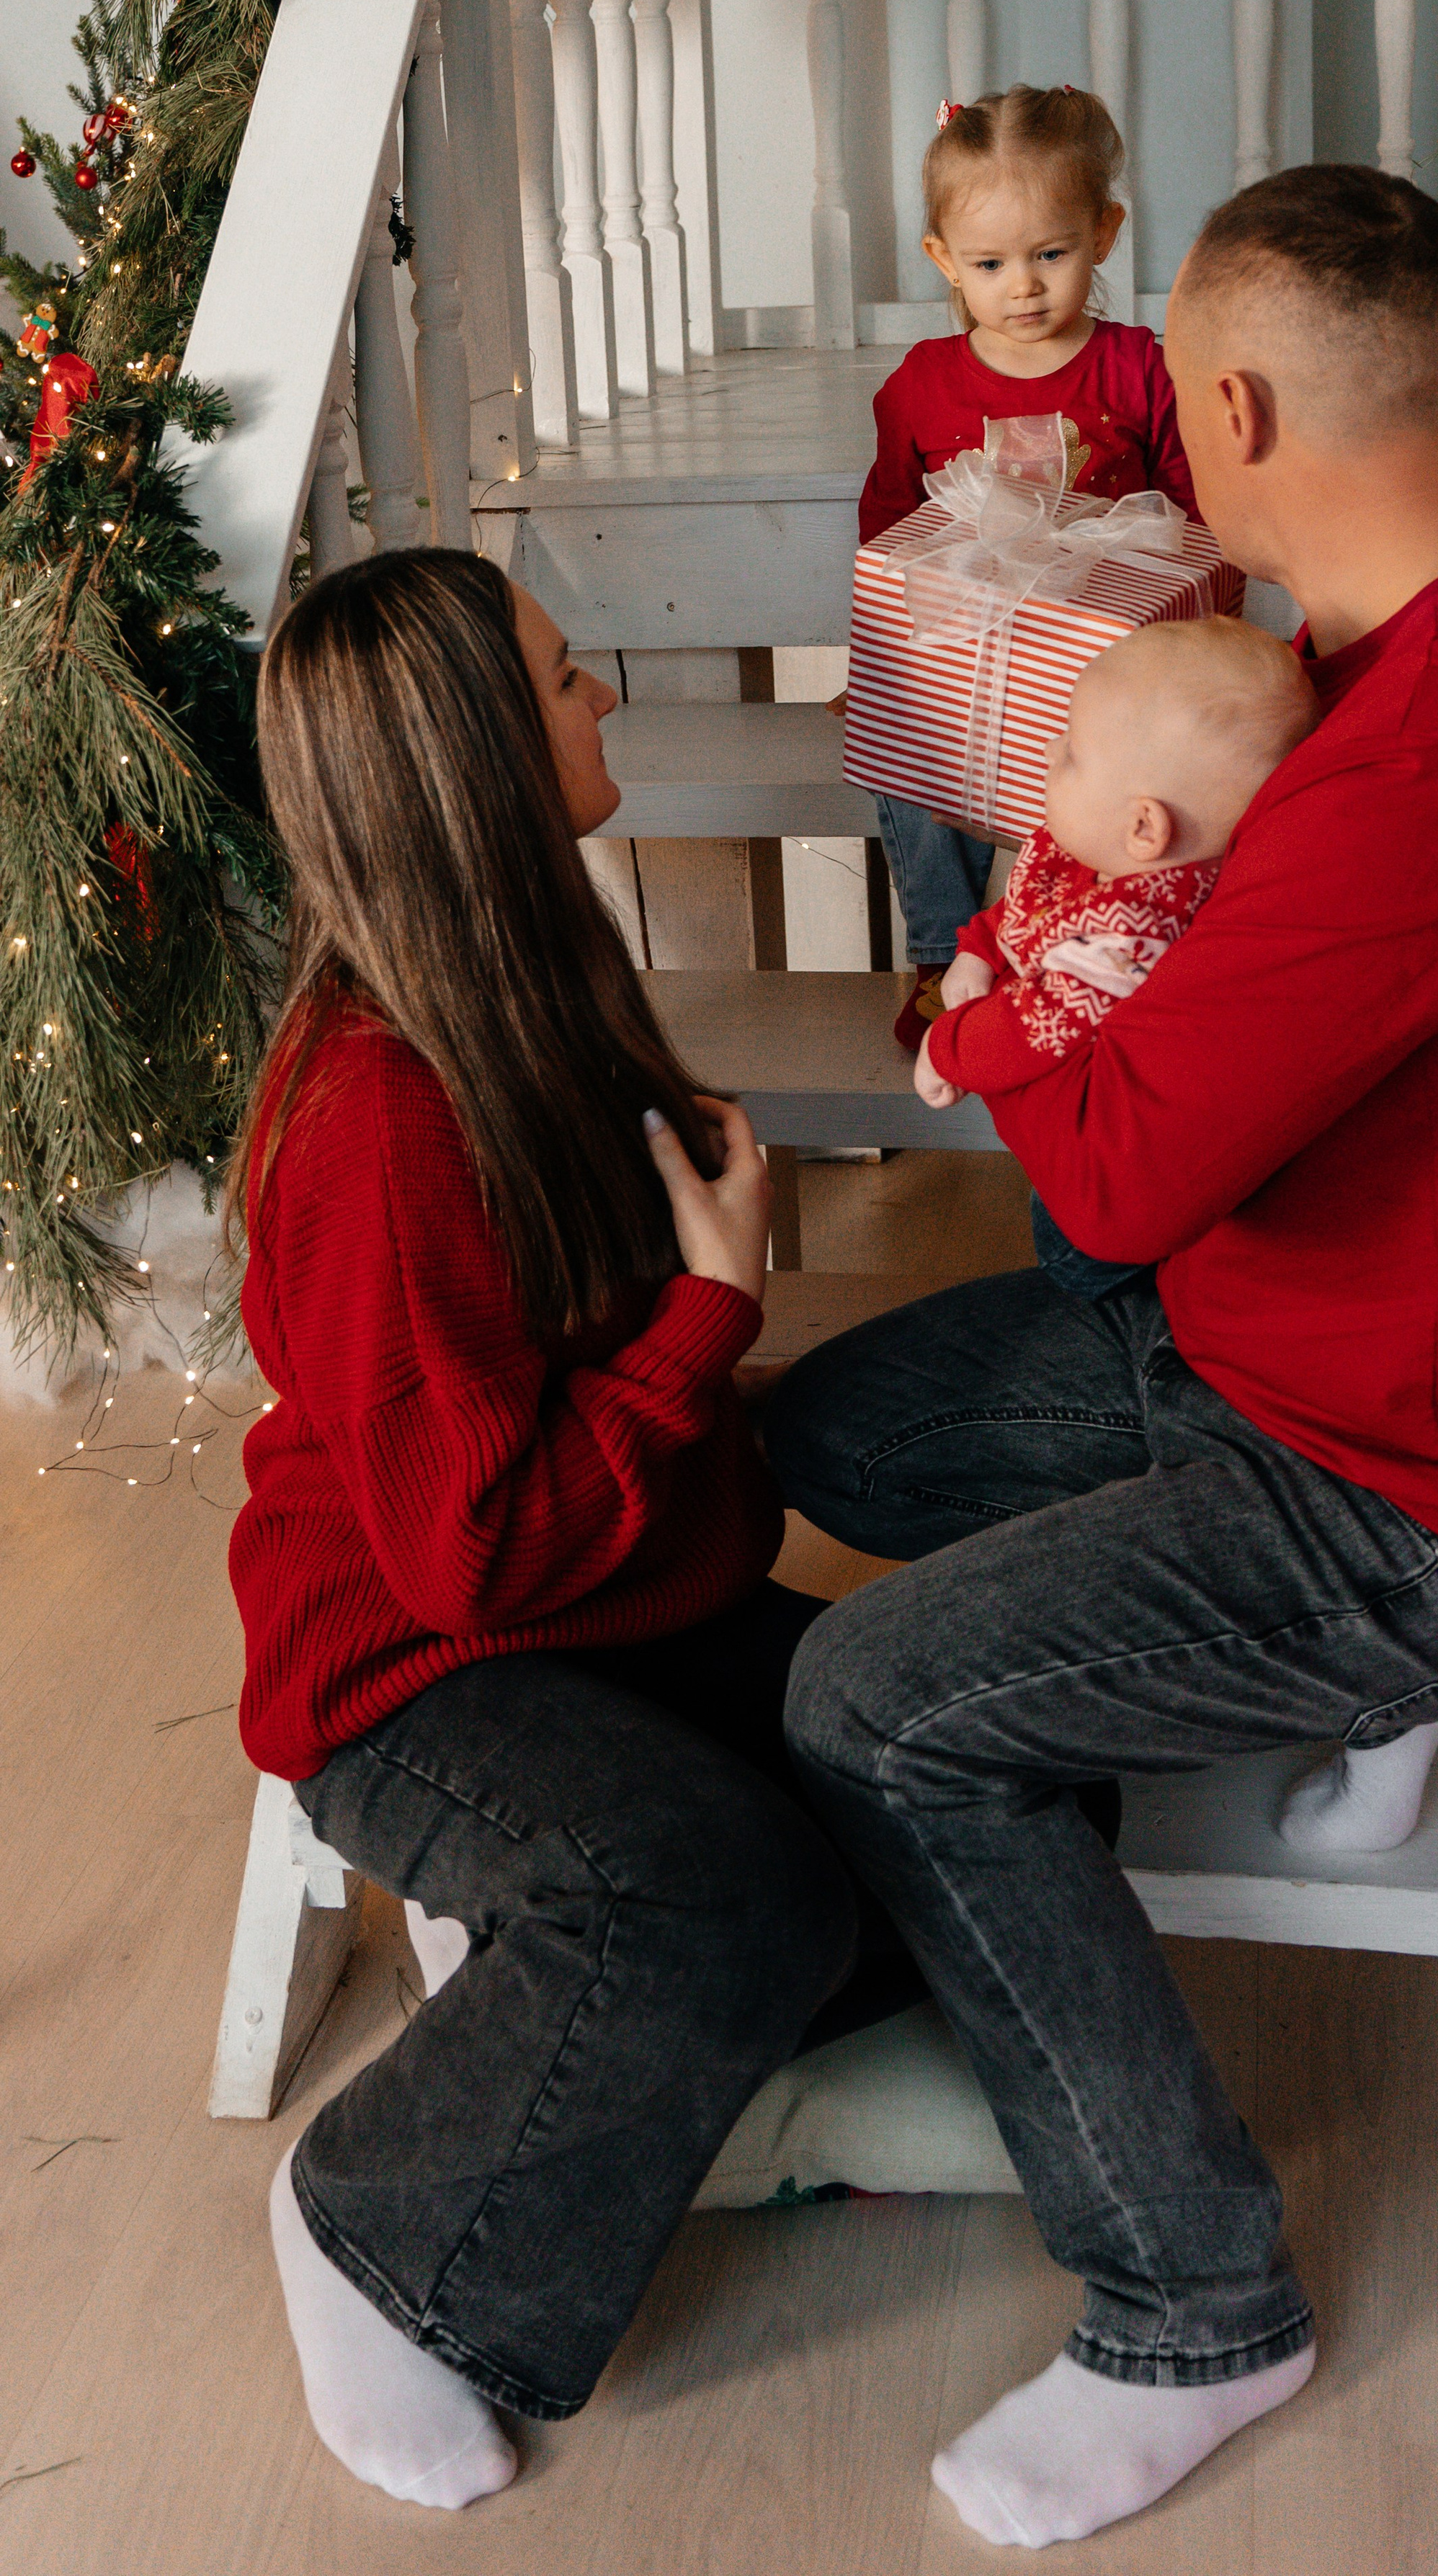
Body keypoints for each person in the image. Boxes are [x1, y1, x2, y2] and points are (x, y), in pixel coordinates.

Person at [767, 164, 1438, 2550]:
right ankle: (981, 1920)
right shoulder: (1415, 658)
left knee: (875, 1698)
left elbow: (1105, 1182)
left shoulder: (1430, 761)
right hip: (1293, 1344)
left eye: (1180, 398)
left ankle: (1197, 2300)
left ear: (1246, 399)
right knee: (836, 1432)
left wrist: (1002, 979)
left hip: (1433, 1496)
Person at [228, 548, 900, 2512]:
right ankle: (374, 2232)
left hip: (602, 1600)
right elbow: (469, 1560)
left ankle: (614, 2061)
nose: (600, 697)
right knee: (720, 1902)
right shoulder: (375, 1112)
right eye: (564, 681)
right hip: (421, 1661)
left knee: (958, 1768)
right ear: (471, 763)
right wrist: (712, 1315)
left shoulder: (542, 985)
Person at [852, 83, 1200, 1054]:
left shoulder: (1139, 369)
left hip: (1102, 665)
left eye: (1054, 253)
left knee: (1103, 790)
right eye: (991, 263)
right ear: (942, 261)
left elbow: (1194, 520)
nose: (1026, 287)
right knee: (908, 757)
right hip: (970, 652)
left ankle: (1048, 949)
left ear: (1105, 230)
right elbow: (886, 531)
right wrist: (879, 663)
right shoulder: (919, 386)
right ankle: (939, 954)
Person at [913, 614, 1318, 1297]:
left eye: (1071, 752)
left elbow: (1036, 1025)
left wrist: (947, 1046)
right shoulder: (1107, 865)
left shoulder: (1135, 934)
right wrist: (978, 952)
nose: (1048, 752)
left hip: (1101, 1230)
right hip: (1072, 1153)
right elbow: (1030, 909)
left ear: (1143, 827)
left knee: (1079, 1283)